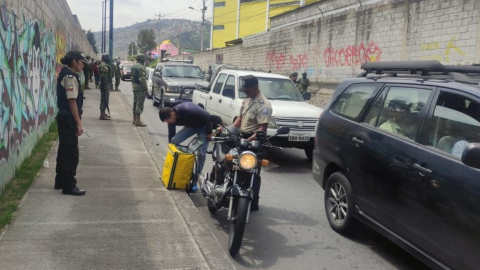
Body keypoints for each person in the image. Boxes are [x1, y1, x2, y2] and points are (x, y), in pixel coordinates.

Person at [232, 75, 272, 211]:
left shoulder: (264, 105)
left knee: (253, 171)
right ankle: (234, 195)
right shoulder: (247, 100)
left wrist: (247, 140)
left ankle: (254, 201)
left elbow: (262, 129)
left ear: (255, 88)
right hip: (242, 139)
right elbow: (240, 119)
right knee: (234, 165)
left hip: (254, 141)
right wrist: (229, 130)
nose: (245, 92)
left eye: (247, 90)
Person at [55, 50, 88, 196]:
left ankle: (61, 181)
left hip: (64, 117)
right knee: (71, 154)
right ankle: (69, 186)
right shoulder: (70, 77)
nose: (83, 65)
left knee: (64, 151)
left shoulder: (65, 73)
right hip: (68, 118)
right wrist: (79, 123)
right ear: (74, 61)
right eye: (82, 62)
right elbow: (72, 101)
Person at [159, 103, 213, 192]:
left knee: (201, 154)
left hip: (203, 127)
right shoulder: (171, 118)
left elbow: (207, 116)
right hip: (191, 127)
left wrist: (210, 132)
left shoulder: (188, 110)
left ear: (172, 114)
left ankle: (195, 181)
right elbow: (172, 136)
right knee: (174, 141)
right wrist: (171, 148)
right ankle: (172, 172)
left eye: (168, 121)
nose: (168, 123)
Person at [130, 54, 148, 126]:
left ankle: (134, 120)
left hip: (134, 86)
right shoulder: (141, 67)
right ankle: (138, 120)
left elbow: (132, 78)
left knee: (135, 102)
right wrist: (145, 89)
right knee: (139, 103)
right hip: (140, 87)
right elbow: (142, 79)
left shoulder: (133, 66)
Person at [99, 54, 112, 120]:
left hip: (104, 85)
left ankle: (103, 113)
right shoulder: (105, 66)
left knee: (104, 99)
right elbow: (104, 77)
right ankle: (102, 114)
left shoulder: (103, 64)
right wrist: (107, 87)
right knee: (104, 99)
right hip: (104, 85)